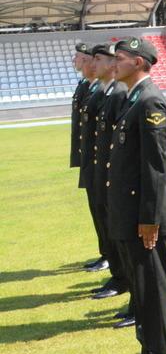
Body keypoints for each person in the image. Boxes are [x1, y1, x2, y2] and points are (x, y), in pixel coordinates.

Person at [108, 36, 166, 354]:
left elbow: (155, 166)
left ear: (138, 62)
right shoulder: (133, 98)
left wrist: (149, 218)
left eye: (119, 58)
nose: (113, 63)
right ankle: (148, 352)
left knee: (152, 288)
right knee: (140, 288)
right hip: (131, 213)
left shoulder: (150, 99)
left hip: (145, 216)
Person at [87, 43, 131, 306]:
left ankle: (121, 277)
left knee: (115, 229)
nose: (93, 64)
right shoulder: (106, 91)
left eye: (98, 59)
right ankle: (118, 274)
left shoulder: (119, 93)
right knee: (107, 224)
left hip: (111, 174)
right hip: (101, 171)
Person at [70, 43, 104, 271]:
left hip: (99, 159)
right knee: (96, 209)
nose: (75, 61)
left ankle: (110, 256)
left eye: (78, 57)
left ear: (89, 61)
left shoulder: (101, 89)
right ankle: (106, 253)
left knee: (103, 210)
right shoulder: (85, 86)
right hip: (88, 158)